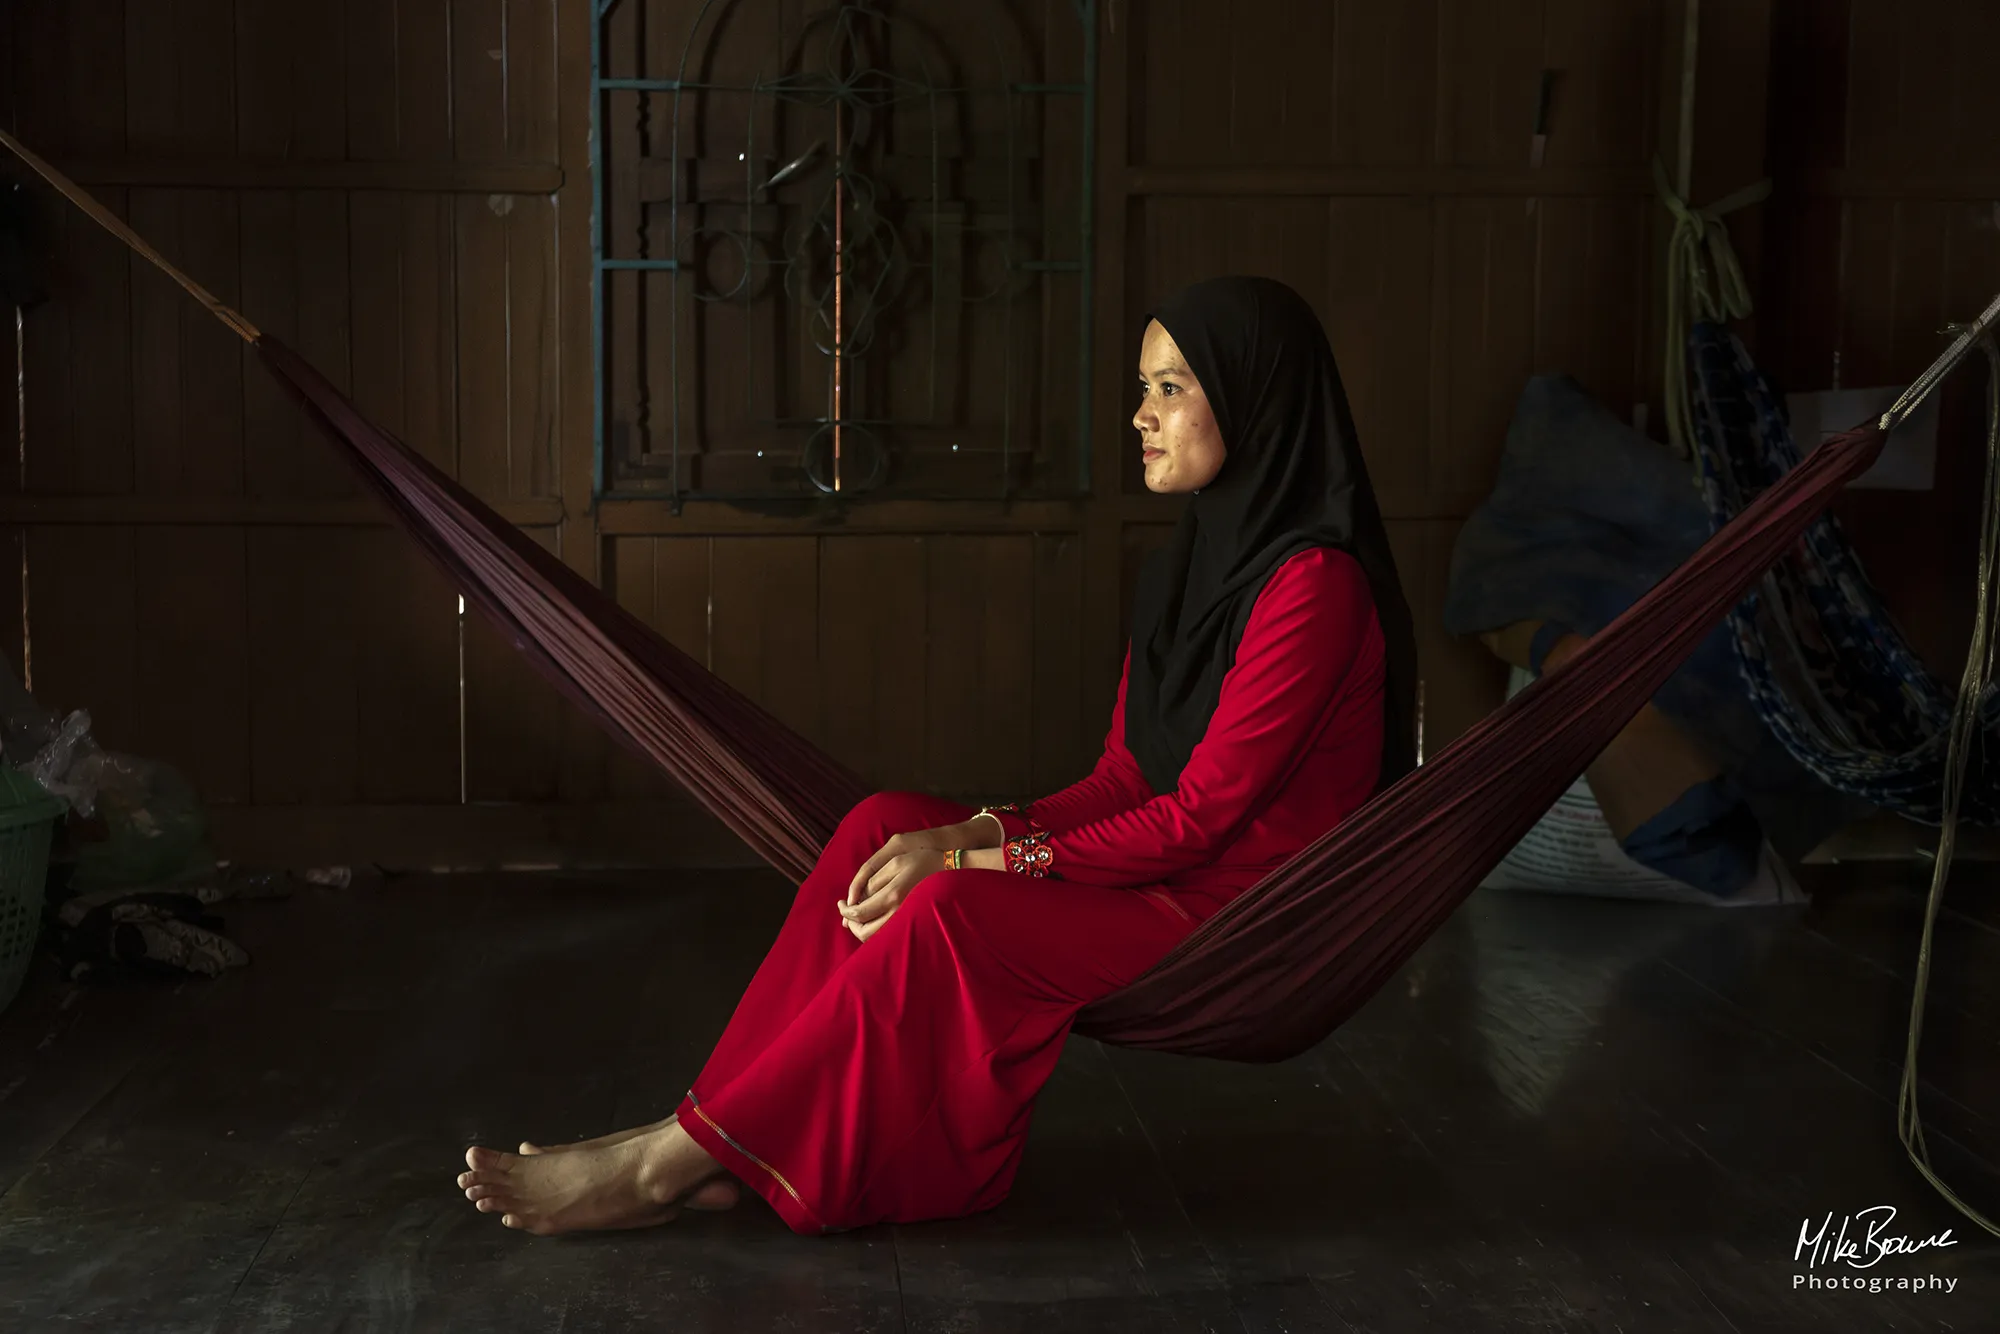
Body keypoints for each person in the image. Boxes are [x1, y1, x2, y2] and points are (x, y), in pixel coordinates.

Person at [454, 275, 1419, 1236]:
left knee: (951, 897)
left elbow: (1199, 817)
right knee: (883, 823)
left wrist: (971, 858)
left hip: (1237, 914)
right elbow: (1126, 779)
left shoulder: (1316, 587)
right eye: (1143, 386)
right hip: (1159, 875)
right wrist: (975, 829)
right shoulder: (1182, 569)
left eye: (1171, 389)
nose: (1141, 416)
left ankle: (658, 1167)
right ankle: (710, 1138)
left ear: (1255, 402)